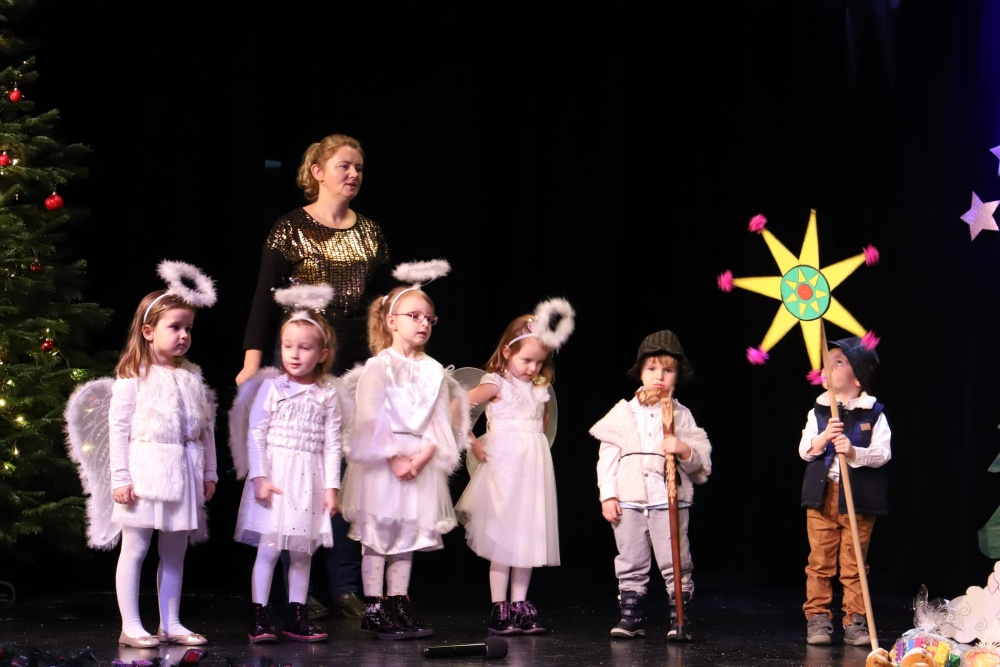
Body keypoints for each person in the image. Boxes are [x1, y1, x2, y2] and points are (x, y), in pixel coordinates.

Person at [238, 133, 391, 619]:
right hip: (302, 351)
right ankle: (298, 592)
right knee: (295, 465)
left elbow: (383, 304)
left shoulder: (371, 232)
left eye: (359, 167)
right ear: (317, 171)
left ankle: (345, 585)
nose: (353, 174)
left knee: (343, 468)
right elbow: (264, 297)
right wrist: (252, 362)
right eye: (345, 165)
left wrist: (388, 361)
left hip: (356, 357)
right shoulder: (290, 227)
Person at [339, 262, 469, 639]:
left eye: (429, 318)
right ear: (391, 321)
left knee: (407, 535)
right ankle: (374, 606)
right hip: (383, 459)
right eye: (414, 316)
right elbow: (369, 416)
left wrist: (423, 456)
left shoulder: (434, 370)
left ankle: (398, 602)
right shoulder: (379, 366)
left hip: (419, 459)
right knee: (377, 533)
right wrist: (395, 457)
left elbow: (439, 420)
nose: (423, 323)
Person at [109, 261, 219, 648]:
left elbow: (205, 428)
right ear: (148, 331)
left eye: (188, 328)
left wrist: (210, 472)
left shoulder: (192, 376)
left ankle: (170, 623)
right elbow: (118, 430)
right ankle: (131, 625)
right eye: (175, 327)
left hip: (185, 472)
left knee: (175, 552)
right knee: (136, 548)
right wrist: (120, 478)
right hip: (147, 473)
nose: (184, 335)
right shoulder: (132, 378)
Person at [454, 298, 575, 636]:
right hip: (504, 467)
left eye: (539, 361)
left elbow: (542, 426)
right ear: (507, 352)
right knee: (503, 537)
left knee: (526, 534)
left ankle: (520, 604)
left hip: (531, 467)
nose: (533, 368)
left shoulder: (540, 389)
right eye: (526, 360)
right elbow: (457, 407)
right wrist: (473, 442)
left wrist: (534, 449)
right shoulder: (496, 383)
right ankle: (500, 606)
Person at [230, 284, 343, 644]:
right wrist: (259, 476)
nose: (294, 354)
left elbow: (332, 444)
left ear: (322, 353)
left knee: (301, 552)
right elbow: (256, 434)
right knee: (268, 549)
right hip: (276, 476)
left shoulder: (327, 395)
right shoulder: (273, 387)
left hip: (308, 480)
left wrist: (332, 487)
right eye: (288, 346)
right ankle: (260, 614)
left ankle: (296, 615)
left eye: (304, 347)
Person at [590, 330, 712, 641]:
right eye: (652, 368)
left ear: (677, 375)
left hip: (667, 498)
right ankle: (632, 617)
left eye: (668, 370)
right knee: (630, 558)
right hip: (629, 498)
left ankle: (679, 617)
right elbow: (607, 458)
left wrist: (683, 450)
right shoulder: (623, 412)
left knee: (675, 559)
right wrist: (608, 495)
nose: (659, 376)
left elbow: (701, 462)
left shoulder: (681, 415)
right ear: (640, 372)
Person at [799, 336, 890, 646]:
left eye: (838, 362)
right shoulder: (818, 412)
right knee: (820, 561)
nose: (829, 366)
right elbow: (805, 450)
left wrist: (853, 452)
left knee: (854, 564)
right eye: (827, 361)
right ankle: (818, 617)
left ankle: (855, 620)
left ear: (858, 377)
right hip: (822, 497)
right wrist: (824, 437)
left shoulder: (873, 413)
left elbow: (883, 453)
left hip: (858, 500)